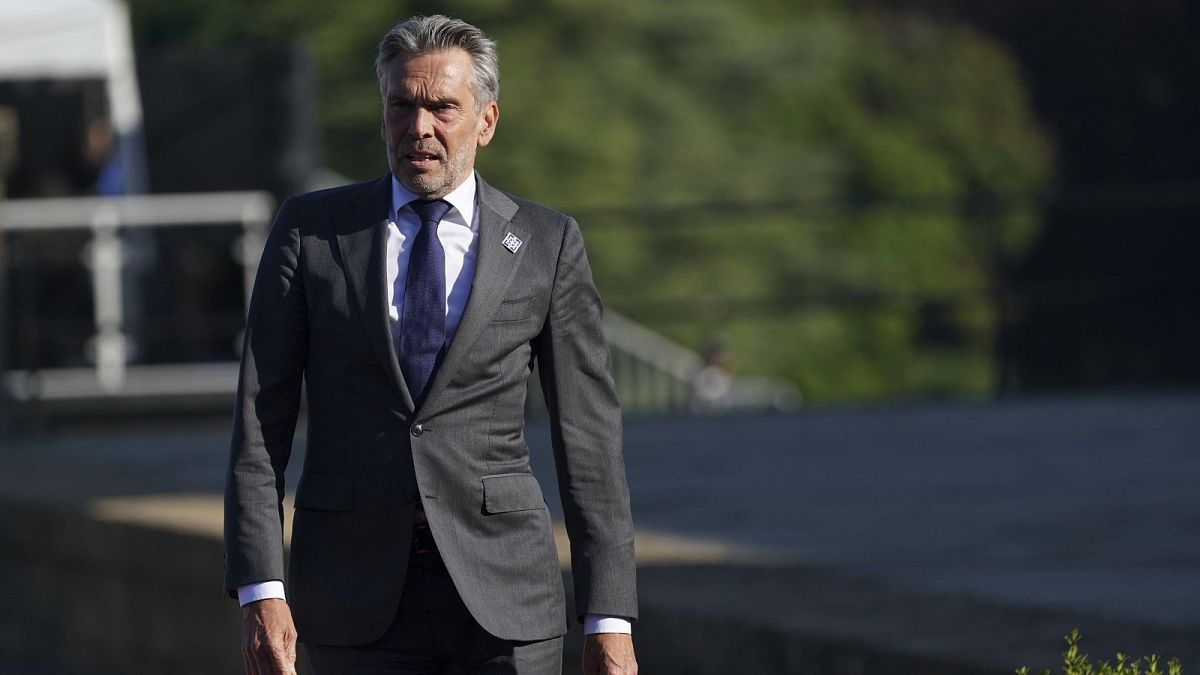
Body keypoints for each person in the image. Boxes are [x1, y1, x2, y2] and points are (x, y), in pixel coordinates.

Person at [224, 15, 638, 675]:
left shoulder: (546, 243)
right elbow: (258, 423)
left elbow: (588, 441)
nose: (421, 126)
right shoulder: (312, 233)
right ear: (382, 114)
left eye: (443, 107)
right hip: (349, 601)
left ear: (486, 121)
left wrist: (609, 617)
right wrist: (260, 588)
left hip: (506, 603)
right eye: (403, 105)